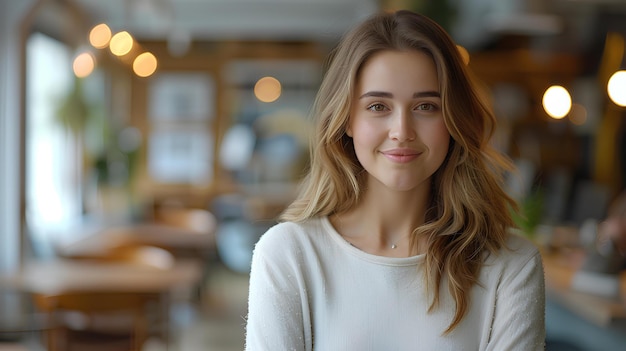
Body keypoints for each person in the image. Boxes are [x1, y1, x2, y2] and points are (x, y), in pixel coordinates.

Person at [245, 9, 545, 350]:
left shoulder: (511, 266)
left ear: (453, 120)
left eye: (426, 107)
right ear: (346, 119)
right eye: (378, 107)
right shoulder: (288, 254)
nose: (402, 131)